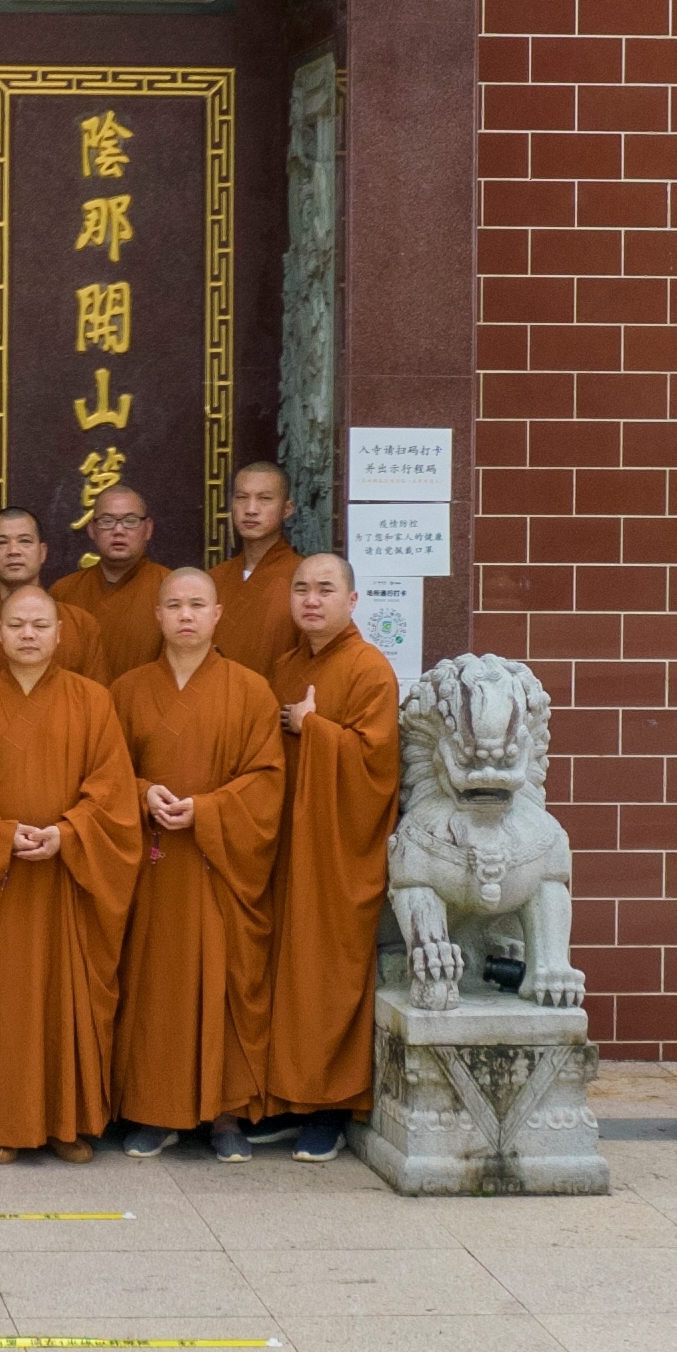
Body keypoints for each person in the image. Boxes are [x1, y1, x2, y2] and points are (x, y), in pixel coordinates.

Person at [0, 584, 142, 1164]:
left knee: (71, 995)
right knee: (1, 1003)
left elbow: (112, 790)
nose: (28, 635)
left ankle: (68, 1122)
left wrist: (70, 832)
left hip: (68, 878)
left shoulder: (93, 701)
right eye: (17, 625)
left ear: (61, 634)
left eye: (40, 625)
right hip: (0, 878)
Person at [109, 568, 285, 1162]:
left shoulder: (251, 690)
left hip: (220, 870)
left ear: (217, 615)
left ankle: (225, 1114)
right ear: (156, 616)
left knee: (228, 982)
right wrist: (142, 793)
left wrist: (208, 810)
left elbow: (266, 781)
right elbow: (105, 776)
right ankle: (152, 1112)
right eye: (174, 605)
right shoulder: (127, 691)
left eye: (197, 605)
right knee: (154, 985)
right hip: (154, 871)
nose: (185, 615)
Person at [254, 552, 402, 1161]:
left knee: (329, 971)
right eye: (301, 589)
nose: (311, 600)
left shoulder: (370, 669)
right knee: (285, 970)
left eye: (325, 589)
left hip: (338, 852)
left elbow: (376, 767)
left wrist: (313, 728)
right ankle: (291, 1099)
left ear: (353, 600)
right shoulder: (287, 664)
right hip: (287, 841)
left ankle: (332, 1108)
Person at [0, 508, 112, 690]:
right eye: (2, 543)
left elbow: (96, 704)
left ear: (43, 552)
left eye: (25, 541)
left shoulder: (81, 625)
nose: (14, 551)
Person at [55, 485, 168, 681]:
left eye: (130, 521)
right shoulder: (64, 592)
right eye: (107, 521)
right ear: (91, 529)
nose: (118, 530)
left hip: (143, 708)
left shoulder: (169, 588)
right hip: (80, 709)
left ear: (148, 528)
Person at [206, 464, 305, 677]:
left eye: (264, 498)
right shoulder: (214, 579)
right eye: (242, 497)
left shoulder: (303, 579)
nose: (251, 509)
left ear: (287, 509)